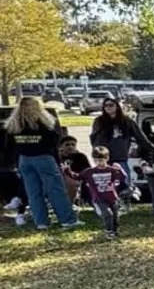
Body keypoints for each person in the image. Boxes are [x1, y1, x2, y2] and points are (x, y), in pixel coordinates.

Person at [4, 97, 79, 231]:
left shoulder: (14, 125)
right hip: (44, 158)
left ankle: (41, 222)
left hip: (24, 160)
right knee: (56, 190)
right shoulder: (44, 124)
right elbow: (54, 142)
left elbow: (9, 146)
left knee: (33, 192)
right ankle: (67, 220)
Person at [89, 97, 148, 193]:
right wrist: (96, 153)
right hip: (104, 159)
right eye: (105, 105)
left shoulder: (127, 121)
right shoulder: (99, 121)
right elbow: (94, 138)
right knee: (105, 185)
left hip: (120, 158)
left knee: (124, 184)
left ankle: (124, 202)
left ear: (117, 106)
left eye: (111, 105)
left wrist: (153, 148)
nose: (108, 107)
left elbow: (140, 137)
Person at [79, 146, 129, 239]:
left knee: (115, 216)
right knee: (108, 214)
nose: (99, 163)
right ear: (93, 160)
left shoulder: (111, 170)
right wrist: (67, 170)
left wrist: (120, 169)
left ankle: (115, 231)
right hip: (99, 198)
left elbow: (122, 177)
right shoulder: (90, 172)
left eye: (102, 160)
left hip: (112, 197)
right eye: (96, 160)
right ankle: (109, 231)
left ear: (107, 159)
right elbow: (78, 176)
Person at [59, 135, 91, 208]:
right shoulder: (57, 157)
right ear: (61, 146)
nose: (70, 147)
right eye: (67, 144)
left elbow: (88, 171)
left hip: (77, 179)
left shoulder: (81, 157)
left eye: (73, 144)